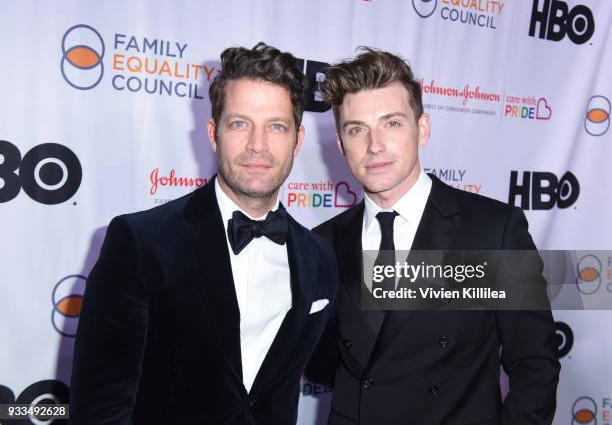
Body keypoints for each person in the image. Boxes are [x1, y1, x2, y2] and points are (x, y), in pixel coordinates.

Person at [69, 42, 339, 425]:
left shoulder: (319, 257)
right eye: (239, 123)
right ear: (214, 133)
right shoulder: (141, 241)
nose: (257, 145)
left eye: (276, 126)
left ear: (297, 139)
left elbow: (340, 364)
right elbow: (99, 410)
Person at [305, 48, 560, 425]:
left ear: (421, 128)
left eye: (391, 123)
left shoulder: (491, 229)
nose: (375, 145)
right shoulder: (322, 242)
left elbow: (535, 363)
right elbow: (322, 363)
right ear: (341, 144)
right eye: (357, 129)